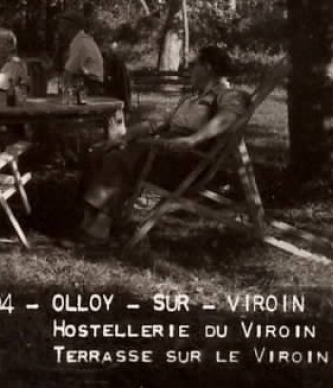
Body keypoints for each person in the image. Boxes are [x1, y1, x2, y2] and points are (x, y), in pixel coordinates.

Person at [78, 45, 251, 241]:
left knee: (117, 159)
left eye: (194, 65)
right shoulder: (192, 97)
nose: (190, 69)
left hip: (186, 160)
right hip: (163, 151)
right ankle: (99, 219)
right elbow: (158, 123)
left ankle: (99, 224)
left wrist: (192, 139)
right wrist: (122, 138)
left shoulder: (230, 95)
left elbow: (227, 118)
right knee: (99, 152)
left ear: (208, 68)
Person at [57, 8, 105, 96]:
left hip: (91, 90)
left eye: (61, 25)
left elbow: (68, 73)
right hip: (88, 86)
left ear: (70, 27)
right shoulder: (83, 40)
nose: (59, 29)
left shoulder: (80, 43)